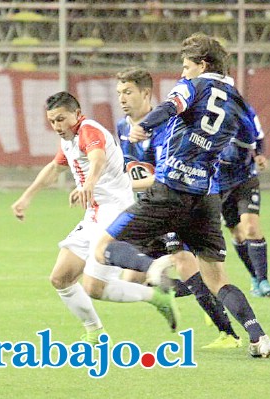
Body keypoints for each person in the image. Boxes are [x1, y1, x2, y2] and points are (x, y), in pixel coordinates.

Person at [94, 33, 270, 358]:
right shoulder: (238, 101)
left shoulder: (194, 87)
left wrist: (145, 126)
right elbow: (249, 142)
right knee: (218, 279)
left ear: (202, 65)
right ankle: (259, 337)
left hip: (170, 189)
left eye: (186, 66)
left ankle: (153, 267)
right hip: (207, 198)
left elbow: (170, 105)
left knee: (103, 249)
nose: (182, 72)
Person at [11, 91, 179, 345]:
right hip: (94, 214)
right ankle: (97, 331)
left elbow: (96, 158)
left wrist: (88, 183)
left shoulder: (89, 131)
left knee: (94, 287)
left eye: (61, 119)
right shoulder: (69, 139)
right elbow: (54, 168)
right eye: (52, 121)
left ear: (77, 114)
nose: (57, 126)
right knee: (61, 278)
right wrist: (26, 197)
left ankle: (155, 291)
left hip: (115, 210)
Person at [113, 66, 242, 349]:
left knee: (185, 262)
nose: (122, 98)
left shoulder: (167, 126)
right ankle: (205, 294)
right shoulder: (123, 127)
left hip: (174, 203)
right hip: (148, 209)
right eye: (119, 92)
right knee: (133, 280)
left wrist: (121, 185)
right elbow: (130, 169)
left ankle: (228, 334)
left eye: (128, 92)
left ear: (146, 93)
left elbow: (165, 176)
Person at [219, 107, 270, 297]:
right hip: (219, 183)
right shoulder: (200, 107)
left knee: (251, 227)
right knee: (237, 234)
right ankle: (254, 276)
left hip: (245, 177)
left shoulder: (242, 109)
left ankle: (264, 280)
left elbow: (258, 135)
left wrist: (259, 154)